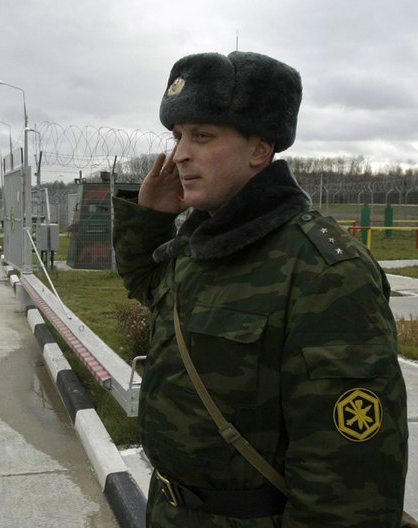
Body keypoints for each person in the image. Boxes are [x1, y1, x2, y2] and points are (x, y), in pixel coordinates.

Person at [112, 51, 408, 527]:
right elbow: (151, 287)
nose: (179, 153)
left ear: (259, 149)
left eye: (202, 136)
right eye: (177, 136)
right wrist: (150, 220)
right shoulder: (203, 244)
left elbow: (349, 486)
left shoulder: (321, 270)